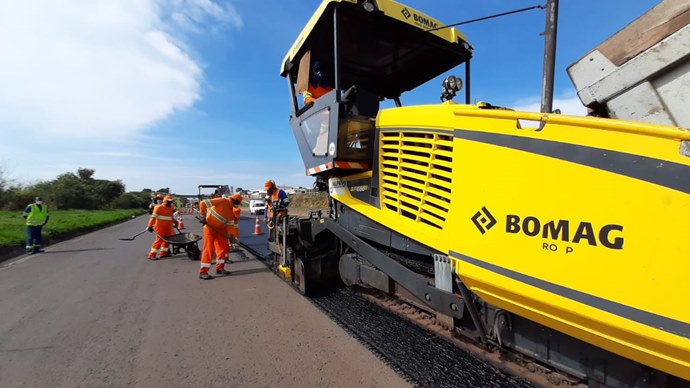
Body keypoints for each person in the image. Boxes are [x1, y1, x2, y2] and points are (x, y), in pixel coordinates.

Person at [198, 195, 238, 280]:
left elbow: (230, 225)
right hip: (210, 228)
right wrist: (202, 215)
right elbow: (203, 203)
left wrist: (231, 235)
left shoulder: (231, 210)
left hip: (221, 230)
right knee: (209, 249)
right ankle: (203, 272)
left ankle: (220, 268)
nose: (237, 206)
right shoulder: (222, 201)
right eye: (237, 204)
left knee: (222, 249)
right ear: (235, 201)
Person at [301, 60, 334, 155]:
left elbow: (335, 101)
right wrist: (323, 106)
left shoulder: (329, 89)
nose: (320, 72)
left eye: (322, 70)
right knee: (320, 148)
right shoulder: (309, 86)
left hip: (330, 121)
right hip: (318, 121)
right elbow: (307, 99)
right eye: (317, 69)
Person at [146, 195, 176, 260]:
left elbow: (171, 217)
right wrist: (149, 226)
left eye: (170, 202)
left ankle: (164, 253)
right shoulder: (158, 207)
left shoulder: (171, 207)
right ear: (165, 201)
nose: (169, 203)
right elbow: (153, 218)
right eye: (168, 202)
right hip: (160, 227)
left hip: (168, 227)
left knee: (167, 240)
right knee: (159, 240)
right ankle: (151, 255)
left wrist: (175, 222)